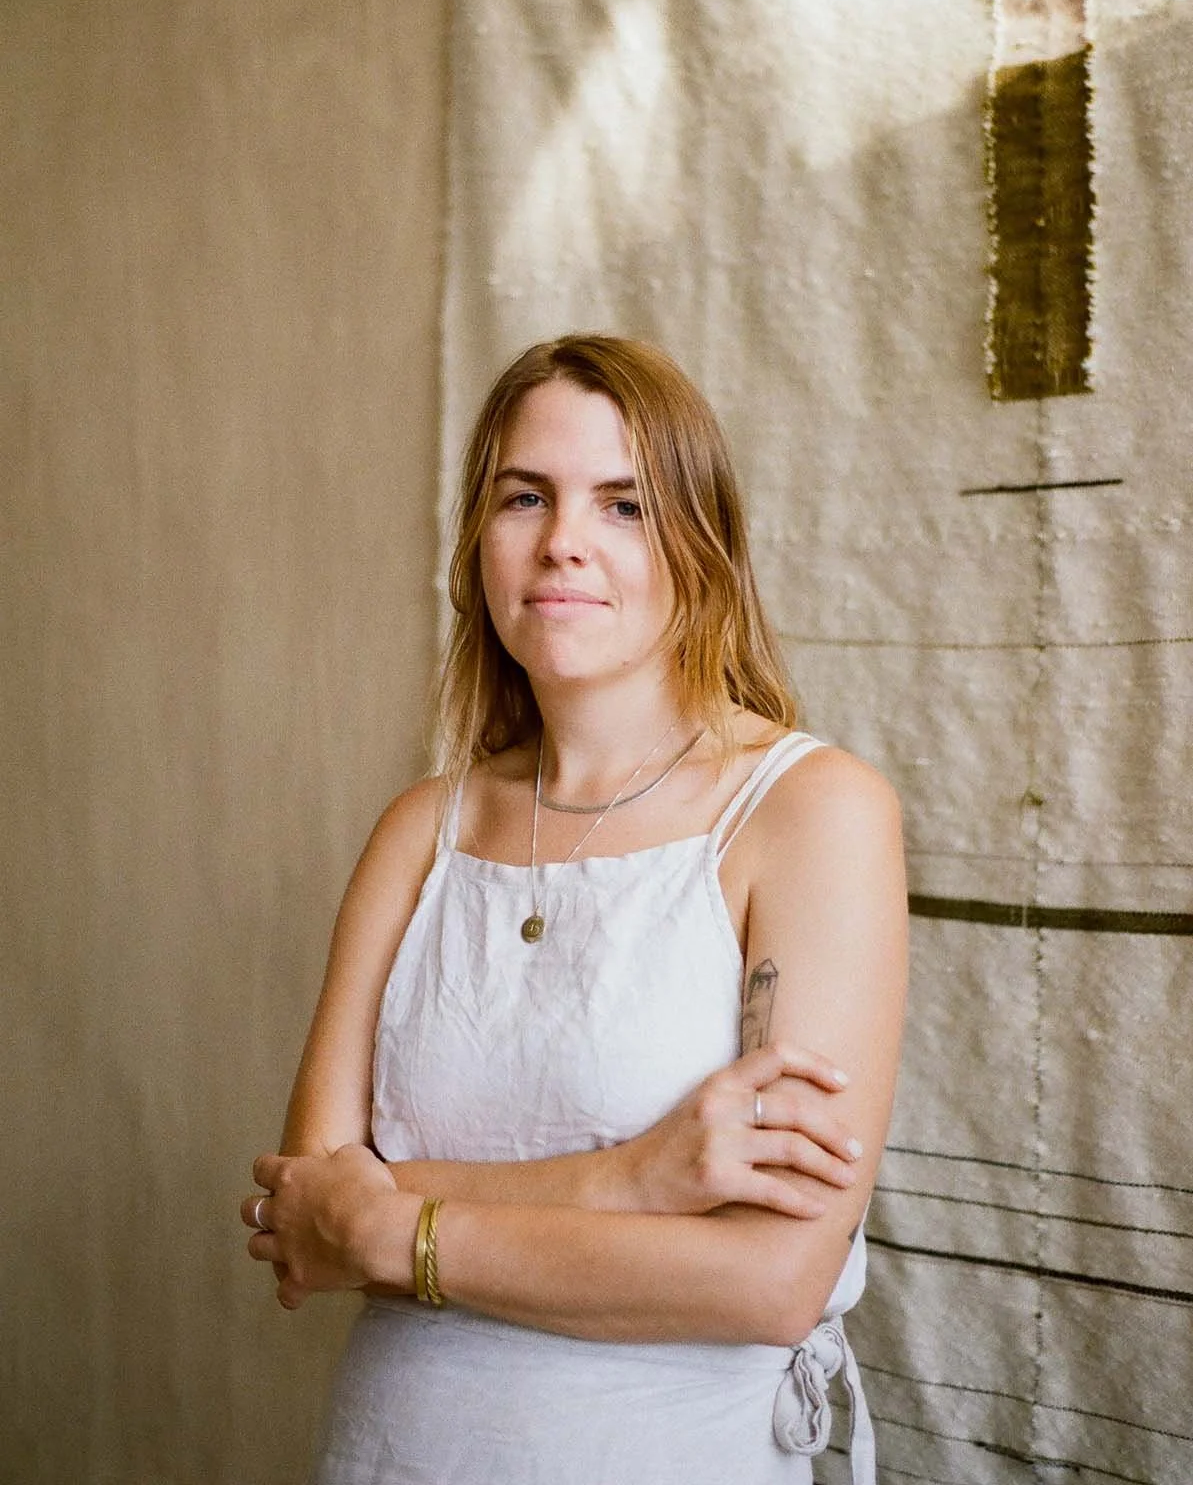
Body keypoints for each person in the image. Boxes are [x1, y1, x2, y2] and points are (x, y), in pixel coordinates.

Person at [241, 333, 907, 1485]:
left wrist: (396, 1229)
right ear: (477, 542)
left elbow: (766, 1281)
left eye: (622, 505)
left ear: (701, 545)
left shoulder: (809, 812)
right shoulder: (421, 830)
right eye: (524, 497)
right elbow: (308, 1204)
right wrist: (634, 1182)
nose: (563, 542)